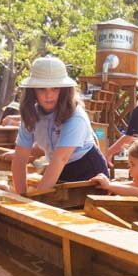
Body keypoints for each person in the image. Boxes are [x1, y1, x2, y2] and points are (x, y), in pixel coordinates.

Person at [11, 56, 109, 194]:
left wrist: (35, 201)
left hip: (88, 171)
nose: (48, 95)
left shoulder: (76, 117)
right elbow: (20, 157)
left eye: (55, 89)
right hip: (58, 170)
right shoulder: (30, 114)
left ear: (64, 90)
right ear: (32, 90)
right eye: (42, 89)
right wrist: (21, 196)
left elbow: (60, 159)